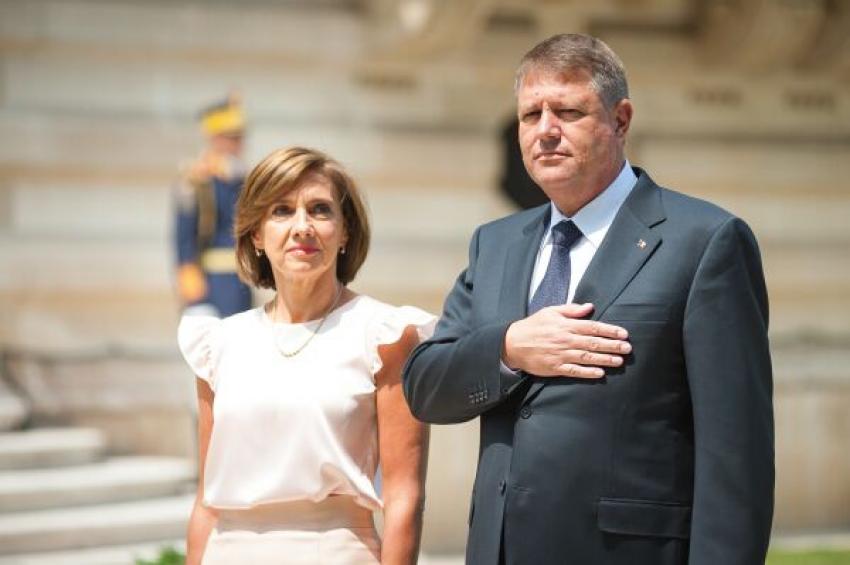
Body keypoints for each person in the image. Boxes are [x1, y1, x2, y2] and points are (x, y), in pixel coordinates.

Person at [402, 33, 773, 565]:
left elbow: (736, 452)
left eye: (568, 112)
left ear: (620, 120)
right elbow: (426, 385)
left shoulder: (705, 241)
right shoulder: (495, 244)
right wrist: (509, 349)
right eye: (530, 115)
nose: (545, 130)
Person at [178, 146, 434, 564]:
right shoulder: (217, 343)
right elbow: (207, 500)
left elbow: (404, 495)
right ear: (256, 234)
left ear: (345, 231)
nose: (302, 227)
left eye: (319, 210)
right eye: (281, 211)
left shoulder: (385, 335)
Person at [174, 94, 253, 317]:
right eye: (232, 137)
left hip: (242, 279)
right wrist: (188, 272)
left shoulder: (244, 179)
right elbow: (184, 232)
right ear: (215, 138)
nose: (238, 143)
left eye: (239, 137)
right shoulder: (196, 181)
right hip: (210, 282)